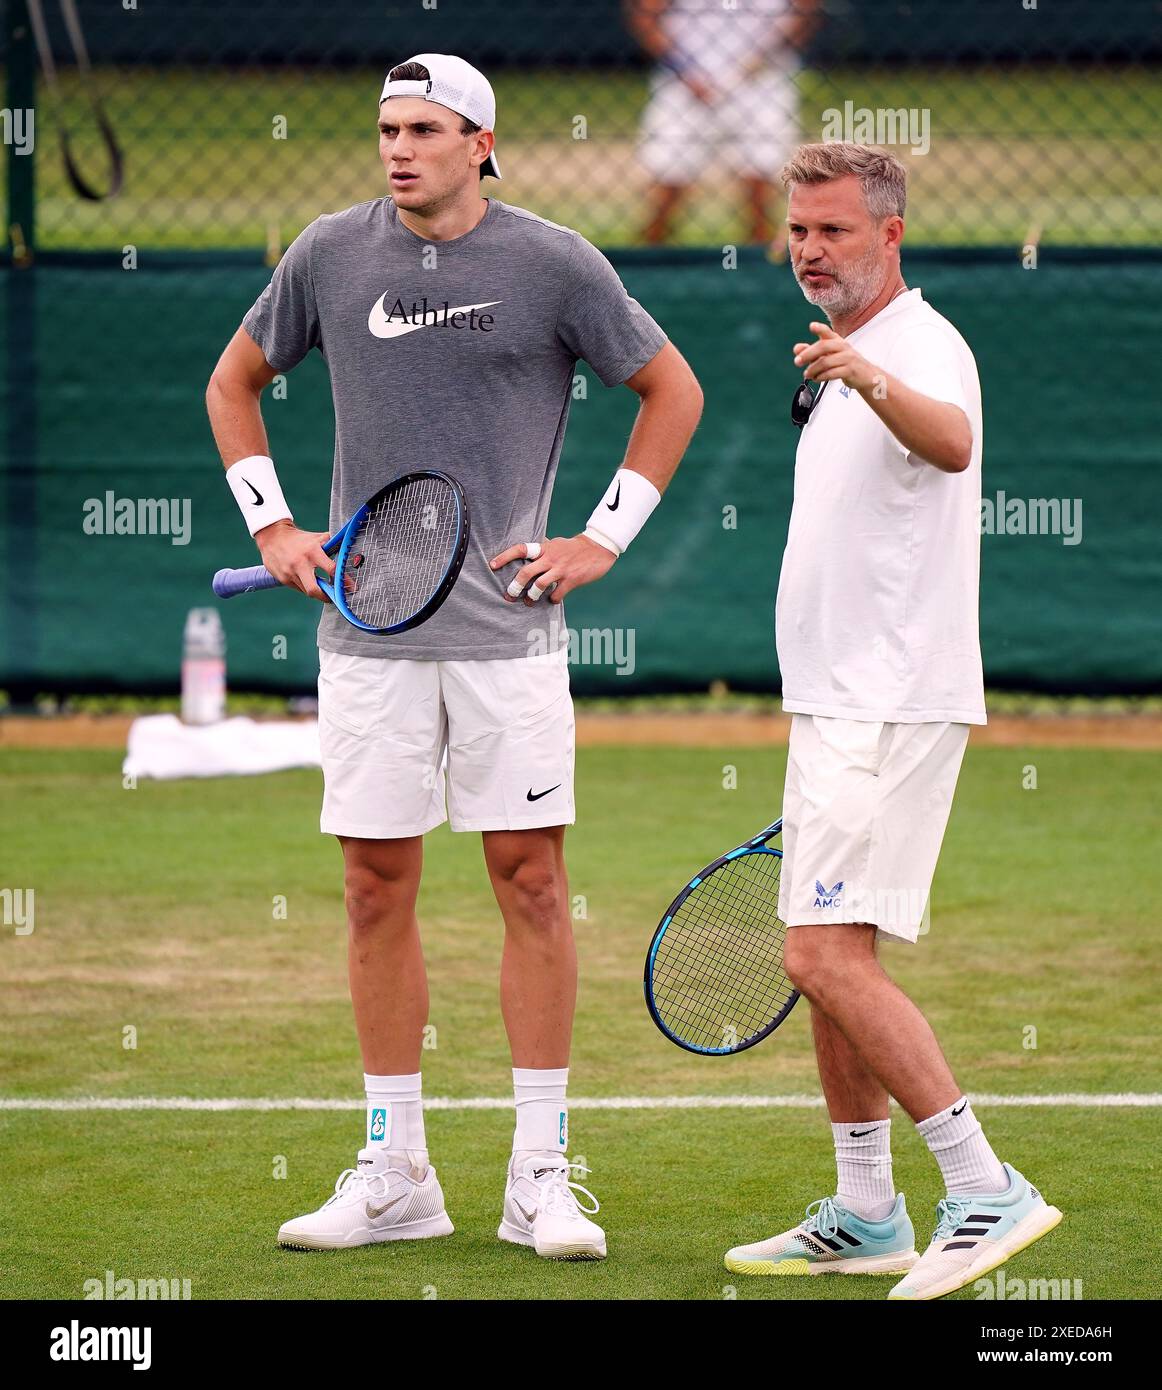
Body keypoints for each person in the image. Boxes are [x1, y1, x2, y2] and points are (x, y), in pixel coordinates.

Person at [205, 52, 703, 1261]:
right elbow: (234, 383)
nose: (399, 148)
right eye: (386, 128)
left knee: (530, 882)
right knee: (374, 886)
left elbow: (670, 388)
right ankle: (396, 1168)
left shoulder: (553, 262)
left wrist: (600, 539)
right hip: (366, 638)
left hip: (507, 636)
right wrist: (270, 521)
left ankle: (540, 1174)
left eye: (425, 129)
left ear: (482, 142)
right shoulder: (328, 253)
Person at [723, 142, 1062, 1300]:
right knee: (829, 959)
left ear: (889, 233)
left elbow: (954, 442)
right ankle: (868, 1209)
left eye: (833, 231)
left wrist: (863, 376)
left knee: (821, 952)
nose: (809, 250)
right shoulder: (841, 354)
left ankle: (985, 1186)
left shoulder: (919, 346)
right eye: (798, 230)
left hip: (890, 702)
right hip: (831, 702)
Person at [625, 0, 817, 244]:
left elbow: (806, 12)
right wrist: (684, 70)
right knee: (669, 181)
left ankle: (758, 262)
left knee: (759, 181)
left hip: (763, 81)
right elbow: (646, 14)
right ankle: (649, 260)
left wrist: (761, 59)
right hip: (686, 80)